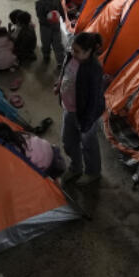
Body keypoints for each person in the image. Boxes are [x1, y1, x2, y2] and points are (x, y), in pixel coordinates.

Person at [54, 31, 106, 185]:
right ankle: (76, 167)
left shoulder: (93, 69)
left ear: (88, 52)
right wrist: (59, 85)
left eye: (77, 51)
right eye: (72, 48)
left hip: (84, 114)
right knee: (68, 141)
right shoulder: (71, 57)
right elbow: (65, 73)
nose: (72, 52)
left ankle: (93, 172)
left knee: (88, 145)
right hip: (68, 109)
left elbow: (94, 99)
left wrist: (87, 122)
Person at [35, 0, 68, 68]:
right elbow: (40, 16)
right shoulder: (40, 2)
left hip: (56, 25)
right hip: (45, 27)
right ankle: (46, 55)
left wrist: (63, 17)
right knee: (46, 43)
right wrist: (48, 21)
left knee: (58, 43)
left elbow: (60, 8)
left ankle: (60, 61)